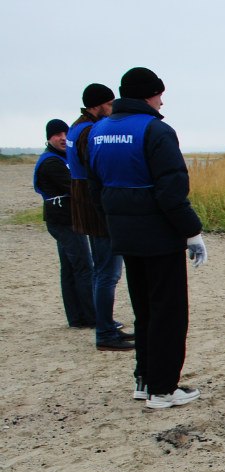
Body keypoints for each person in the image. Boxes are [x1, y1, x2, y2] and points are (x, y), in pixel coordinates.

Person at [88, 67, 207, 409]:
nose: (162, 100)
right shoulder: (156, 131)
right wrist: (191, 232)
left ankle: (144, 378)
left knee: (143, 309)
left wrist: (115, 221)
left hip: (124, 234)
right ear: (148, 96)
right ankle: (164, 388)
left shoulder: (99, 131)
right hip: (158, 236)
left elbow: (94, 188)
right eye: (159, 94)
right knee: (168, 311)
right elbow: (171, 191)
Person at [67, 82, 133, 351]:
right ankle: (105, 331)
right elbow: (97, 168)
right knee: (108, 272)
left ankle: (104, 323)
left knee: (101, 271)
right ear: (97, 105)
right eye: (108, 104)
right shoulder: (90, 131)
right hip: (96, 208)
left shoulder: (76, 127)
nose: (112, 108)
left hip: (84, 205)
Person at [33, 119, 95, 330]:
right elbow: (74, 187)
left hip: (66, 220)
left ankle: (77, 319)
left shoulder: (63, 158)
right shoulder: (51, 162)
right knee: (84, 267)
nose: (62, 138)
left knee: (70, 269)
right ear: (48, 138)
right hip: (64, 222)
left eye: (64, 134)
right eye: (57, 134)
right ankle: (92, 317)